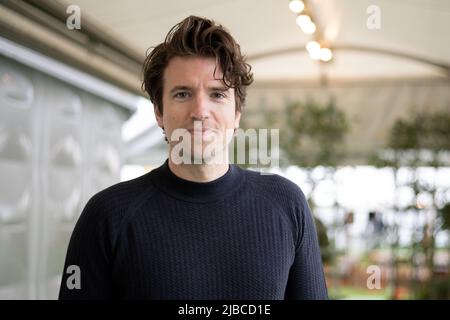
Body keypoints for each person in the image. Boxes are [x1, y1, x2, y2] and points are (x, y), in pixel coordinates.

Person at [58, 15, 328, 300]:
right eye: (183, 93)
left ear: (237, 114)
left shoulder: (286, 204)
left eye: (218, 94)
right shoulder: (107, 216)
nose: (200, 111)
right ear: (159, 112)